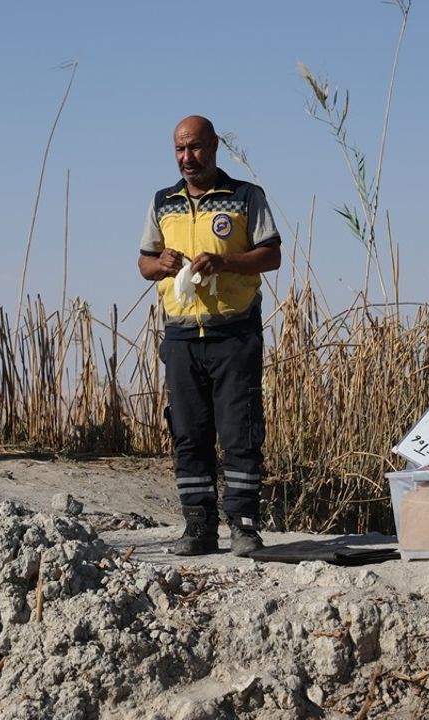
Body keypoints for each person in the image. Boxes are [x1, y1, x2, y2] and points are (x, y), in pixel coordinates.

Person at [138, 115, 282, 557]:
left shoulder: (245, 196)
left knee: (240, 431)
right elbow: (144, 264)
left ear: (215, 146)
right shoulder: (163, 202)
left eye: (195, 148)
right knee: (188, 431)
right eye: (180, 150)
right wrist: (160, 265)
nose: (188, 158)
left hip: (234, 332)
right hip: (181, 336)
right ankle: (197, 526)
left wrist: (224, 262)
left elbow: (271, 255)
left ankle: (243, 524)